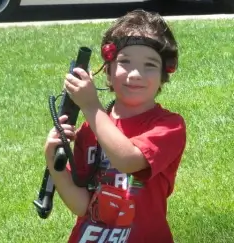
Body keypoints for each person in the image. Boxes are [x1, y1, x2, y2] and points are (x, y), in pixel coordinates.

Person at [44, 9, 186, 243]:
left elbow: (128, 160)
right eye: (125, 62)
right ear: (107, 71)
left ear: (164, 73)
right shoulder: (90, 130)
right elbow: (82, 206)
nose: (135, 74)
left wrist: (91, 107)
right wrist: (54, 165)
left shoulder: (168, 126)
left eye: (149, 65)